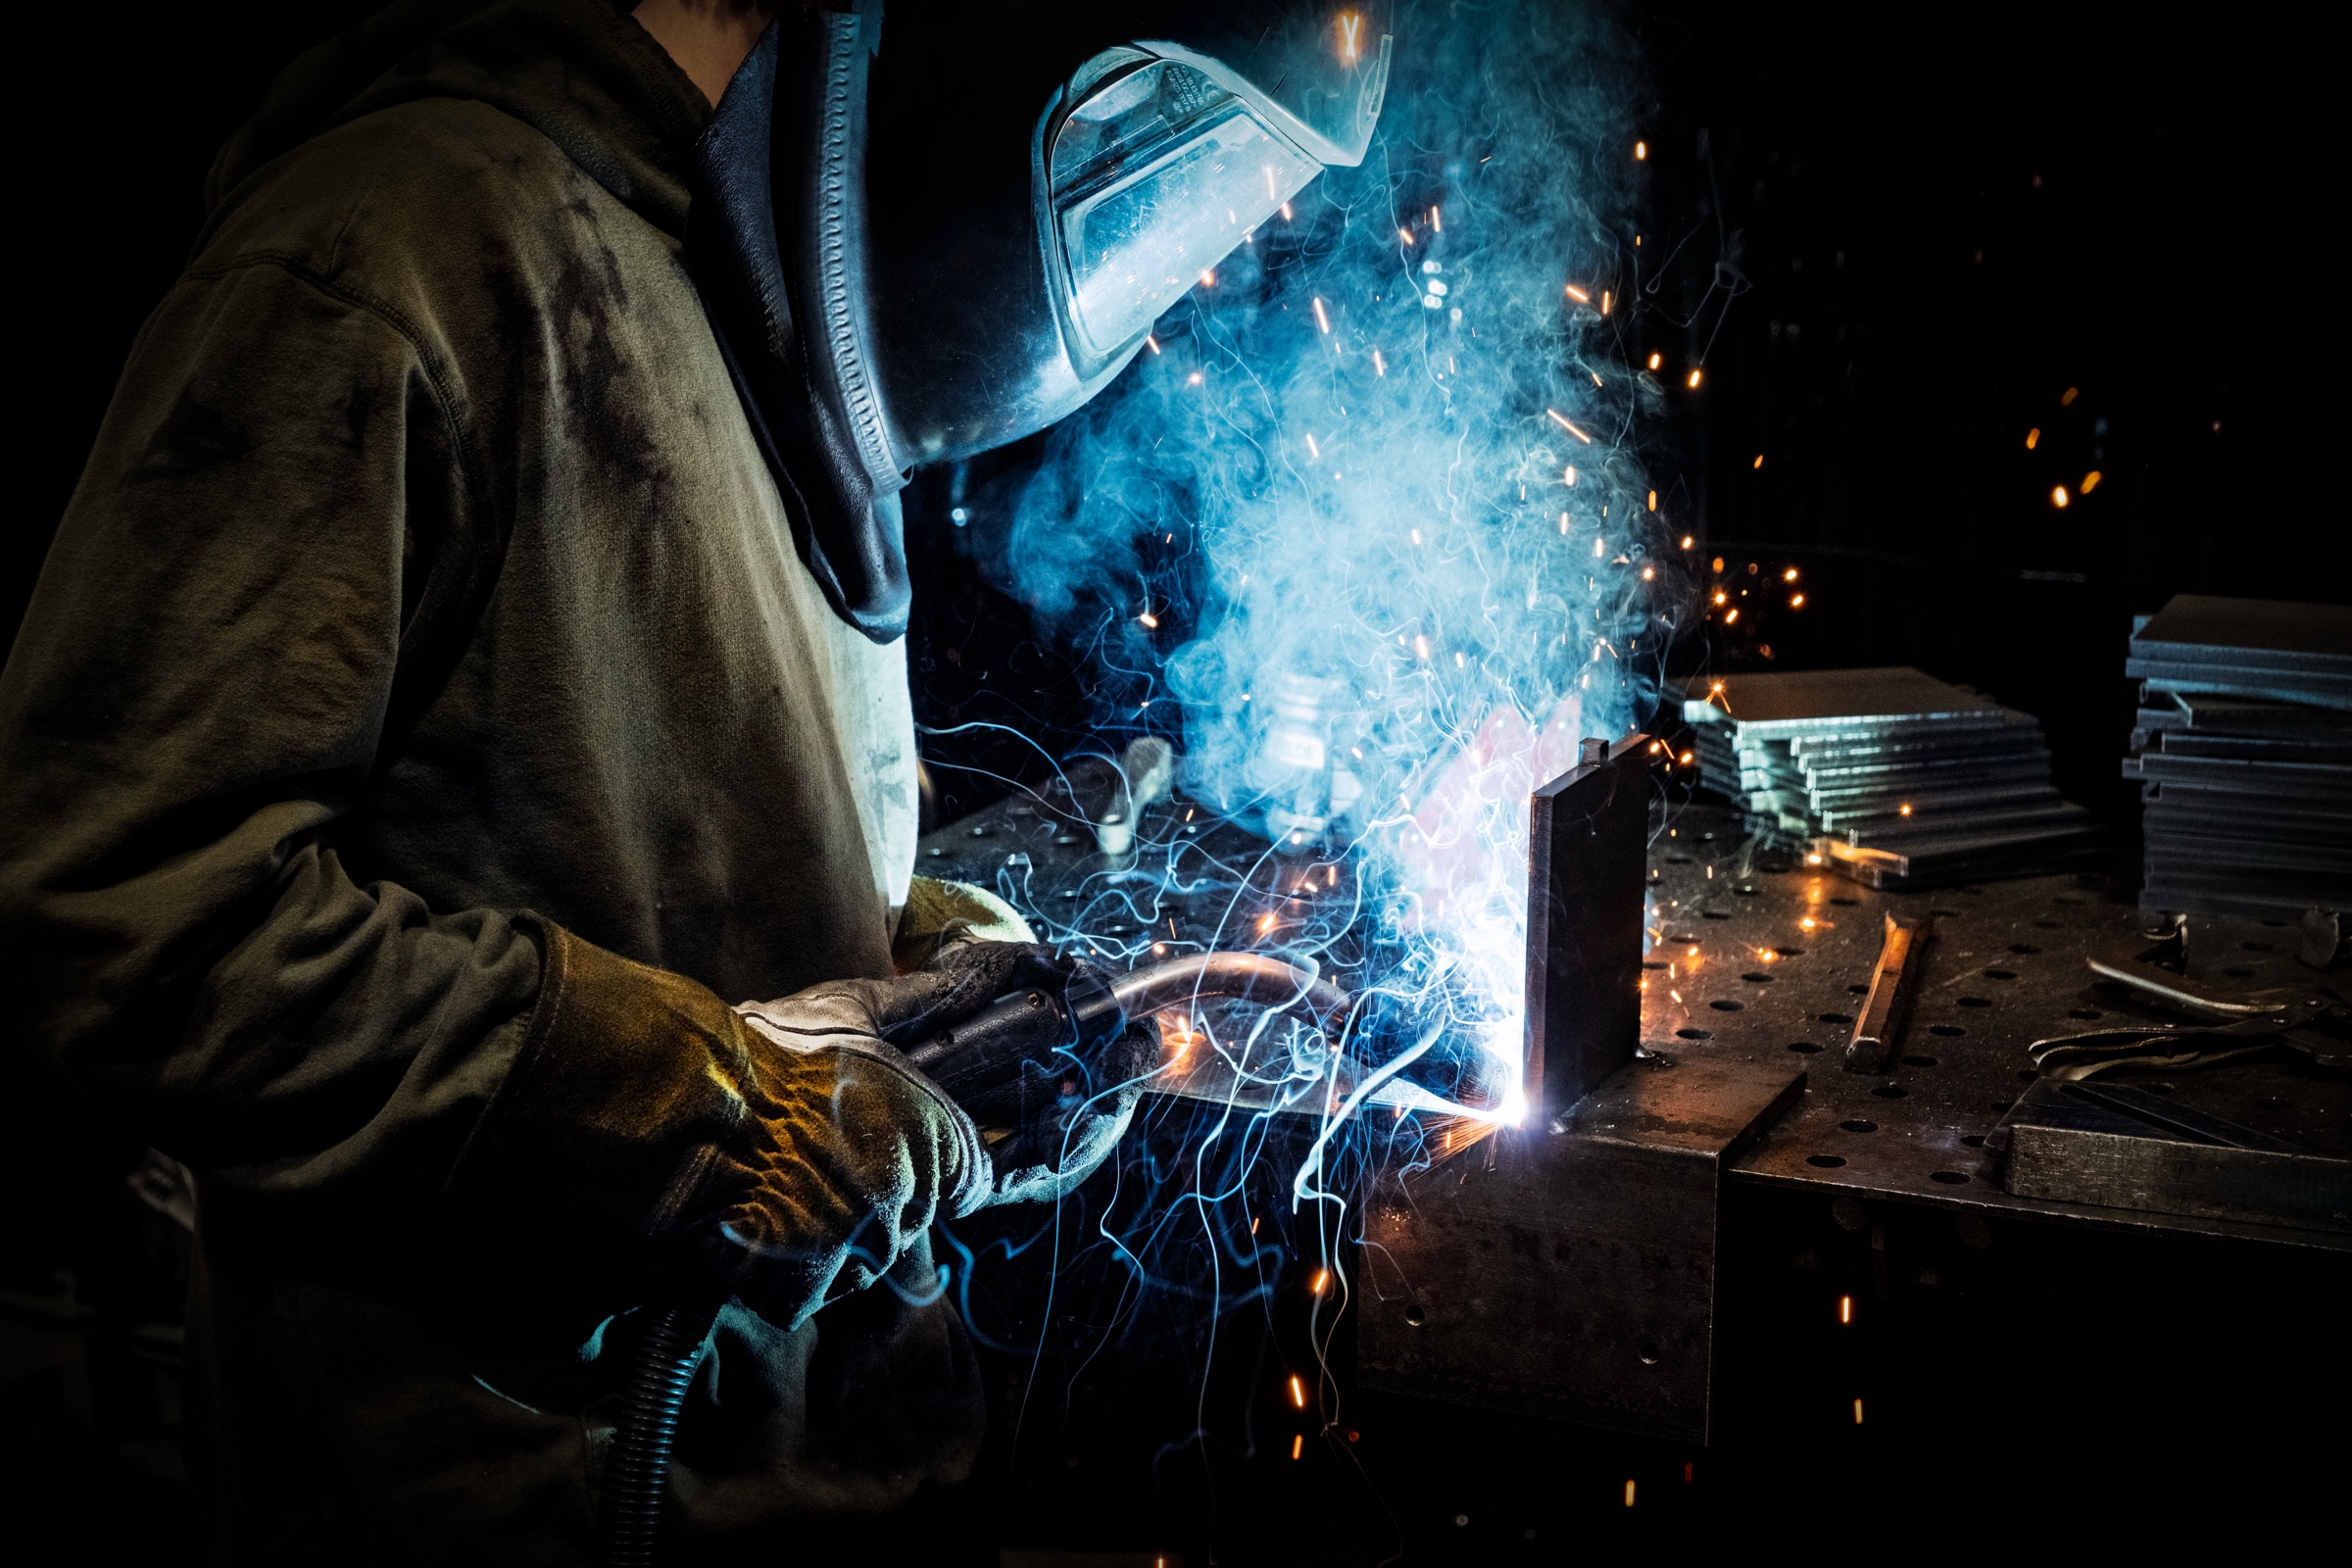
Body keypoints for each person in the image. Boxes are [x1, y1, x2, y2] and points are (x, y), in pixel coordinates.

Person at [0, 0, 1388, 1556]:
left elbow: (636, 821)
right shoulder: (396, 250)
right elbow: (130, 910)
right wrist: (710, 1123)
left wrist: (909, 973)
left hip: (840, 1476)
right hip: (533, 1505)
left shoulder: (745, 295)